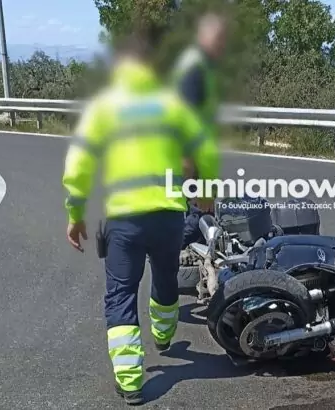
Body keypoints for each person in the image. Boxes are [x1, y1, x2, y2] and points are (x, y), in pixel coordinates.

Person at [61, 30, 219, 405]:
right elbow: (205, 150)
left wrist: (76, 215)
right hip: (168, 216)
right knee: (165, 276)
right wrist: (206, 194)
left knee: (121, 294)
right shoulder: (172, 105)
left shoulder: (104, 108)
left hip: (125, 221)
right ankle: (163, 337)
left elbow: (79, 165)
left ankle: (131, 382)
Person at [171, 12, 227, 249]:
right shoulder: (195, 69)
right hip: (191, 165)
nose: (222, 46)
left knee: (199, 221)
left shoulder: (201, 66)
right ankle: (169, 253)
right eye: (219, 40)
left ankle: (173, 254)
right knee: (198, 220)